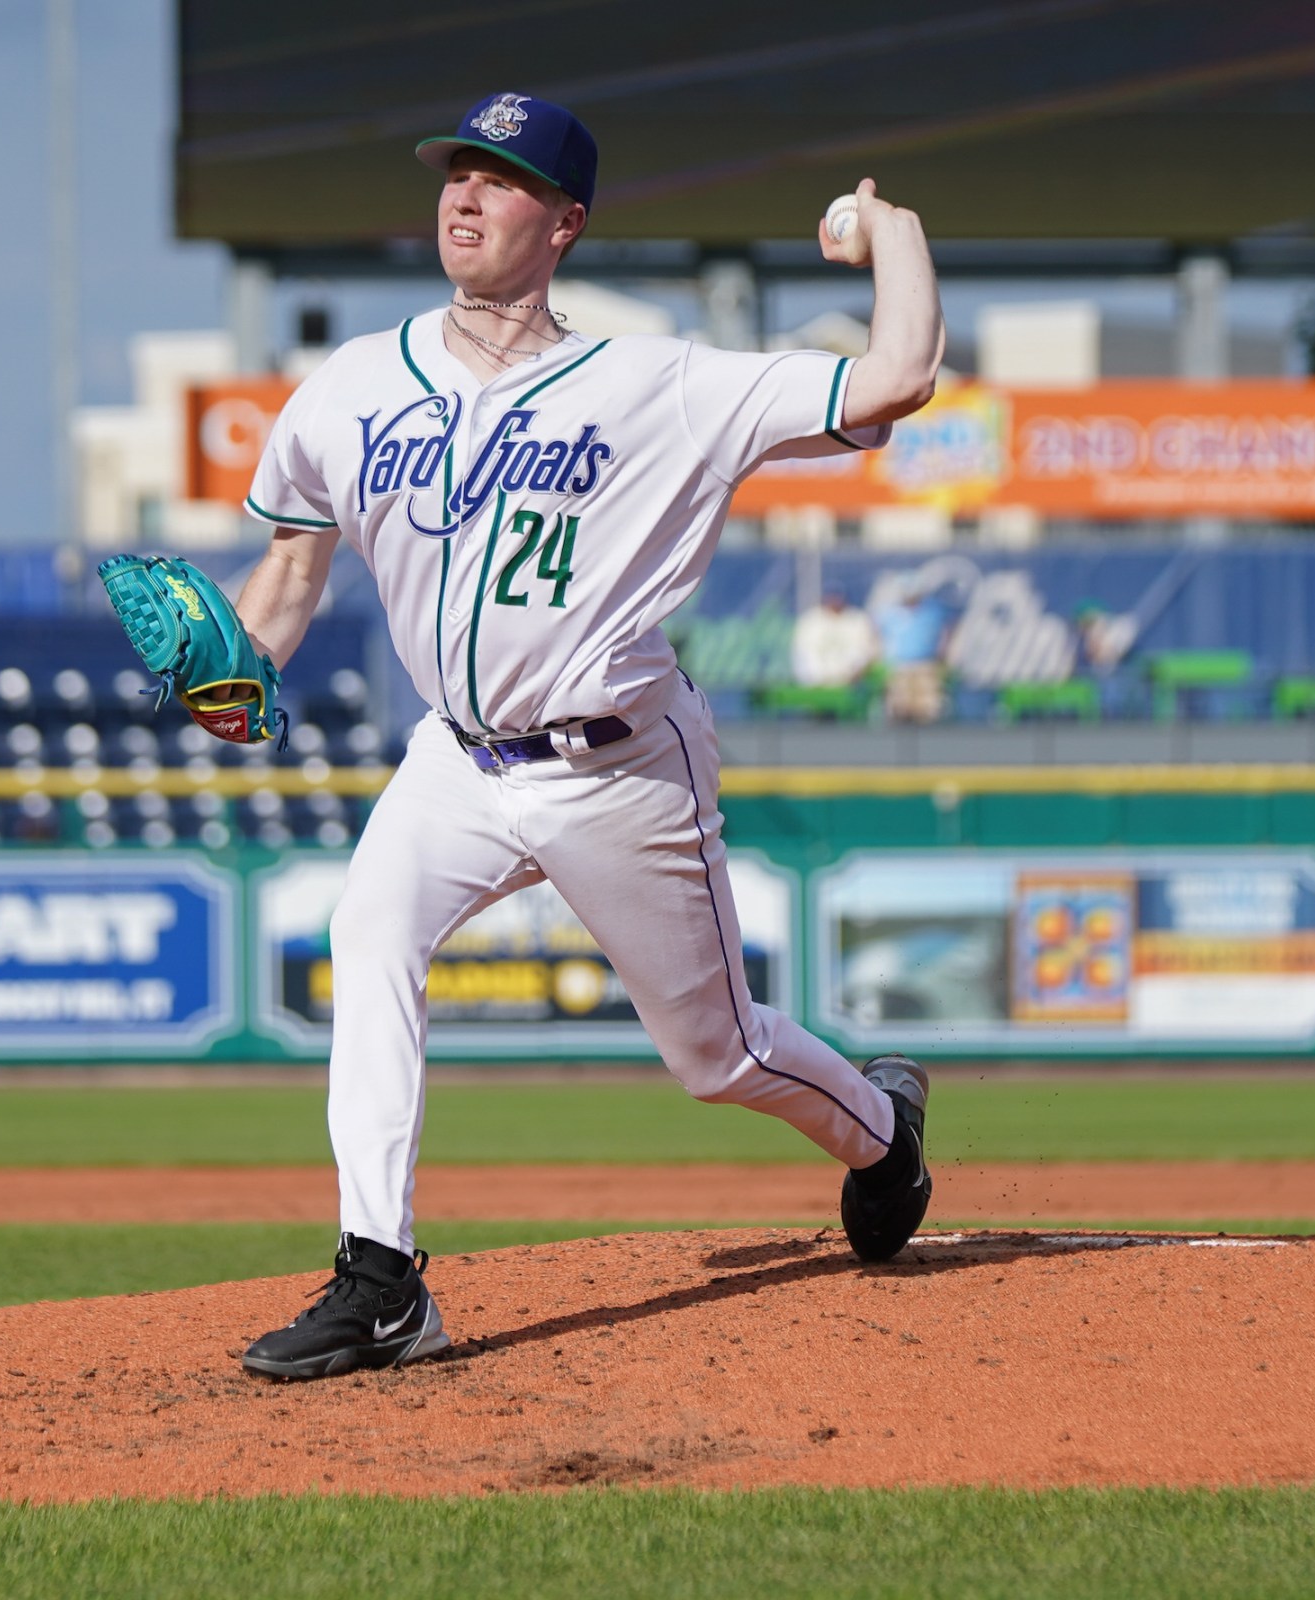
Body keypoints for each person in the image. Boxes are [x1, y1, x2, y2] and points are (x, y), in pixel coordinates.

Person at [224, 93, 945, 1381]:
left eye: (499, 180)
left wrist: (893, 230)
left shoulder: (655, 382)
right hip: (453, 756)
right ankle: (379, 1279)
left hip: (617, 766)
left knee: (715, 1056)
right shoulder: (347, 387)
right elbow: (282, 584)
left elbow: (894, 383)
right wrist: (221, 674)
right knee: (368, 933)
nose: (463, 195)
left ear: (563, 223)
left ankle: (882, 1129)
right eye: (455, 171)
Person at [871, 576, 949, 724]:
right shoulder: (889, 614)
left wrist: (941, 657)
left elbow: (944, 634)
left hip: (925, 665)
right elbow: (878, 637)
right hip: (899, 666)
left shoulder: (933, 612)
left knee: (927, 709)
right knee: (900, 708)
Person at [791, 588, 881, 691]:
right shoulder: (810, 621)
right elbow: (803, 654)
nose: (834, 601)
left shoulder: (858, 620)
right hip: (816, 682)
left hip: (851, 683)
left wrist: (855, 674)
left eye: (837, 597)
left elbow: (869, 652)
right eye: (831, 597)